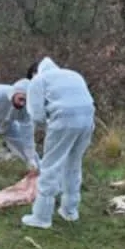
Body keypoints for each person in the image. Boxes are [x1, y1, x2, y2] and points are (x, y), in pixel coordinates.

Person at [21, 57, 95, 228]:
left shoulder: (38, 80)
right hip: (87, 120)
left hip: (64, 120)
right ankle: (70, 211)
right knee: (74, 164)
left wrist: (49, 120)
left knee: (51, 166)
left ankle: (41, 217)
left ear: (34, 73)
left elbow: (36, 115)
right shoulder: (73, 74)